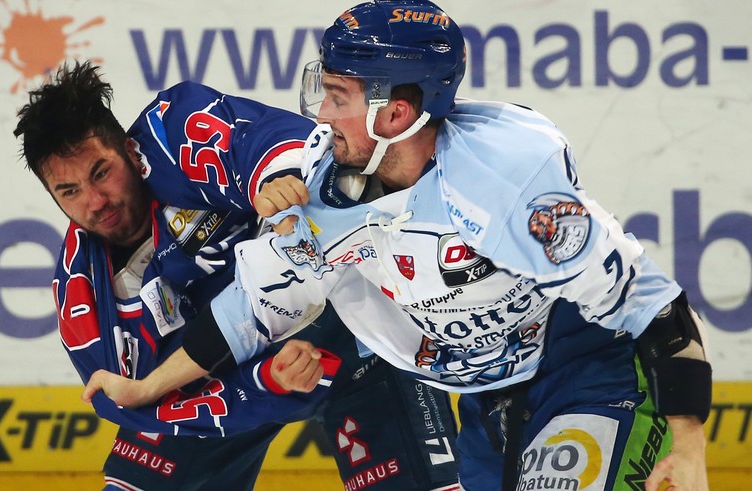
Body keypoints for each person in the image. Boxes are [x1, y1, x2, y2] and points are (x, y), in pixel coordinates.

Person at [153, 1, 714, 489]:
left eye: (337, 96)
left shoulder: (503, 183)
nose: (321, 114)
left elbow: (652, 304)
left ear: (395, 113)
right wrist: (141, 388)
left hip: (585, 369)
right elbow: (255, 304)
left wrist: (689, 446)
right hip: (482, 405)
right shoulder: (323, 185)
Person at [15, 61, 461, 490]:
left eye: (101, 173)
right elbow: (139, 402)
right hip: (225, 377)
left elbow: (265, 142)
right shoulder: (85, 298)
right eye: (69, 191)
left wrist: (280, 181)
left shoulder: (171, 136)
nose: (96, 202)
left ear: (129, 152)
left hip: (359, 335)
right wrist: (265, 381)